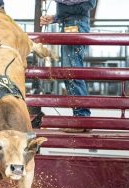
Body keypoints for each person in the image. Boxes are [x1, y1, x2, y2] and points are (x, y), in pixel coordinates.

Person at [40, 0, 96, 133]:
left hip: (74, 24)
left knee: (71, 71)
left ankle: (81, 118)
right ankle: (81, 118)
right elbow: (75, 6)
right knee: (71, 70)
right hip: (73, 23)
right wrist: (55, 18)